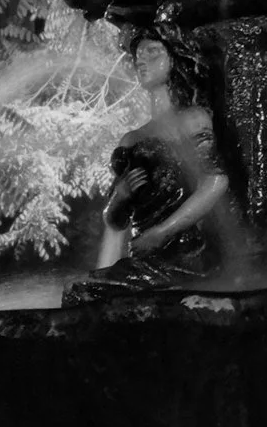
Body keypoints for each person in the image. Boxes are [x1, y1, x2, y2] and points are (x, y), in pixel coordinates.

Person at [84, 35, 231, 293]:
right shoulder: (131, 139)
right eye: (138, 56)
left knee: (93, 291)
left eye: (153, 52)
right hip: (144, 256)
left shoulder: (192, 120)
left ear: (175, 60)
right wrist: (120, 196)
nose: (141, 61)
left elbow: (216, 181)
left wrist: (162, 232)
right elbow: (115, 222)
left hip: (183, 253)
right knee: (91, 288)